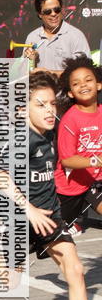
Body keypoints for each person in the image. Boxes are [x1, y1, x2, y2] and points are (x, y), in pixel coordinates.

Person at [0, 72, 102, 300]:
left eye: (52, 104)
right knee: (12, 280)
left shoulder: (50, 134)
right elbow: (2, 177)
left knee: (76, 270)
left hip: (50, 218)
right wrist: (28, 208)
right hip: (19, 217)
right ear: (23, 109)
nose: (49, 110)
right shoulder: (21, 138)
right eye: (40, 105)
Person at [54, 56, 102, 236]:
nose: (83, 85)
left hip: (93, 184)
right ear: (70, 93)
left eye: (88, 80)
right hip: (68, 189)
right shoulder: (70, 119)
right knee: (44, 237)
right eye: (76, 83)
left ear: (99, 85)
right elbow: (67, 160)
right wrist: (96, 161)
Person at [24, 0, 90, 75]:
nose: (53, 14)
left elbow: (84, 72)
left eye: (57, 10)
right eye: (48, 11)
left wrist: (49, 73)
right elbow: (25, 74)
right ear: (40, 14)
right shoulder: (32, 37)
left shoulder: (76, 36)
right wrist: (31, 61)